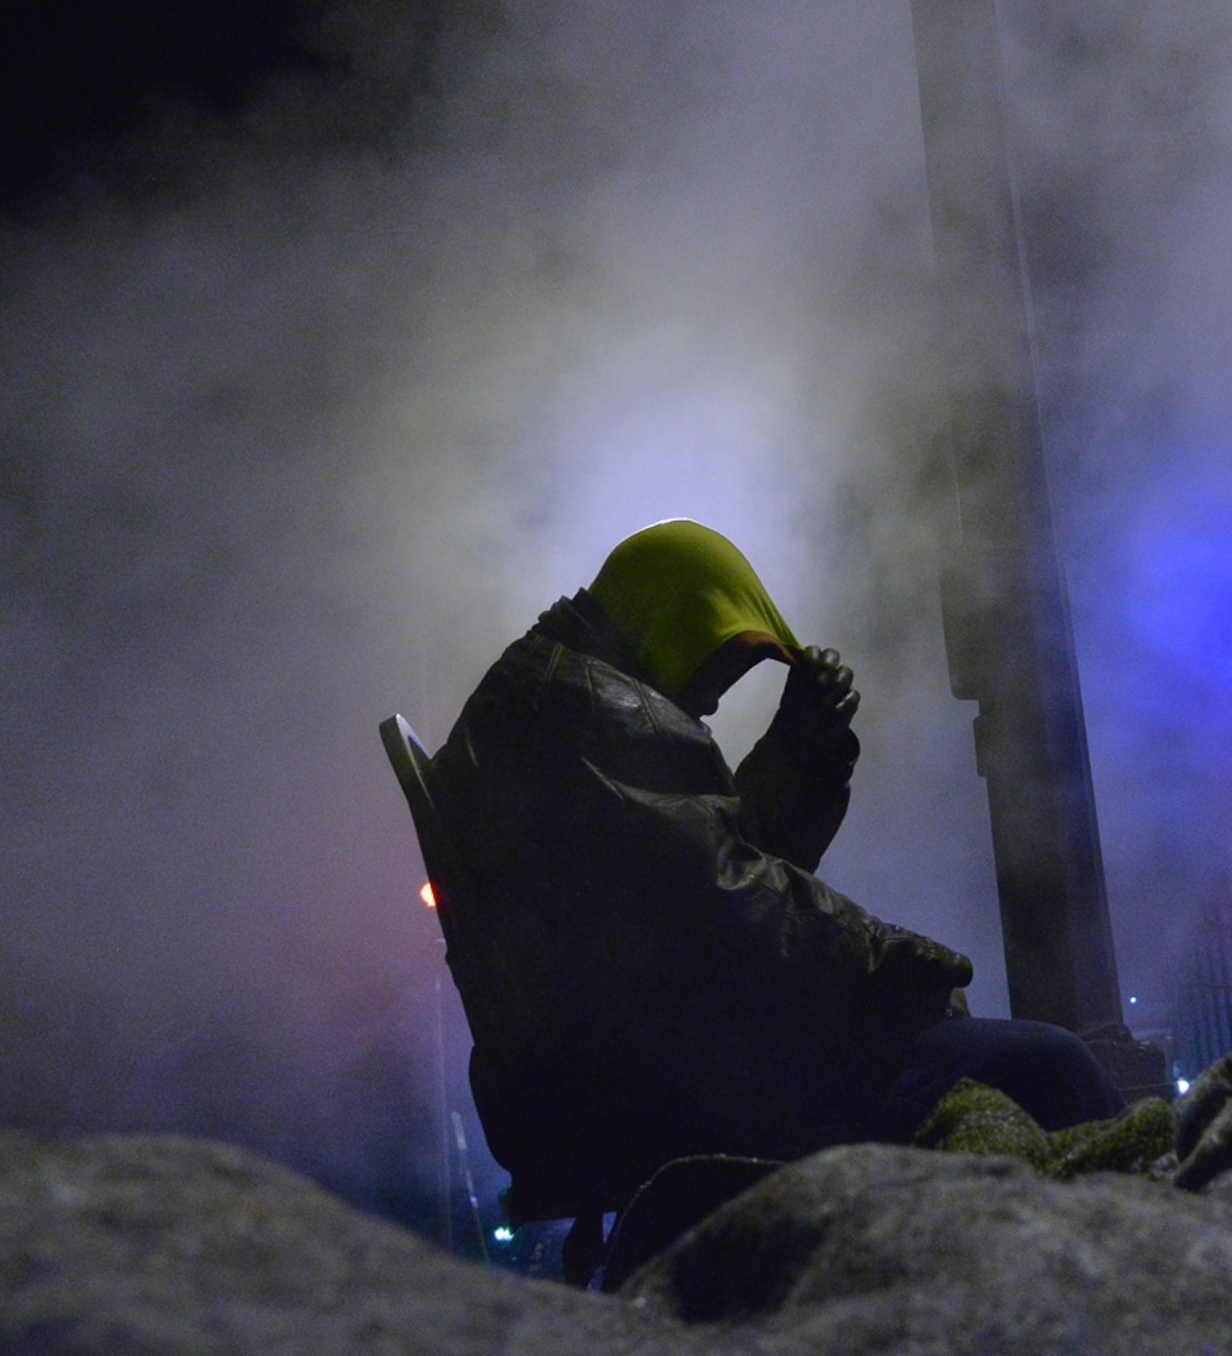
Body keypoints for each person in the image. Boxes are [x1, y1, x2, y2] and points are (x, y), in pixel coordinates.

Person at [426, 518, 1119, 1226]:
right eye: (714, 669)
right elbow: (730, 909)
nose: (711, 701)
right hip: (678, 1094)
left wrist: (799, 752)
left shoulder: (556, 698)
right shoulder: (596, 714)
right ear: (676, 617)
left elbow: (708, 874)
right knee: (1049, 1065)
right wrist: (906, 969)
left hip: (629, 1077)